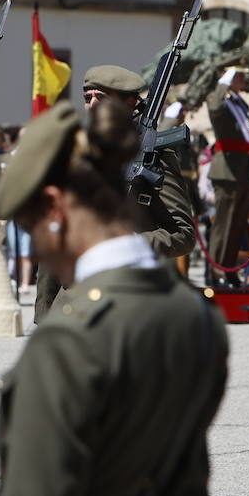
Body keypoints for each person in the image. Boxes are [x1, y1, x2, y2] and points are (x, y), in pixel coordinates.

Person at [0, 100, 228, 496]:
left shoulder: (69, 343)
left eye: (32, 226)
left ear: (57, 207)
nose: (37, 245)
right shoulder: (197, 319)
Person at [35, 66, 197, 318]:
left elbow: (182, 234)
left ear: (129, 103)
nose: (91, 105)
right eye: (87, 98)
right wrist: (45, 313)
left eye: (101, 97)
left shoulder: (154, 157)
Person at [205, 65, 249, 287]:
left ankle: (229, 270)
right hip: (227, 169)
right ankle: (217, 271)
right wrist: (223, 84)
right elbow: (215, 107)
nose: (242, 78)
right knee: (224, 224)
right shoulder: (218, 98)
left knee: (236, 225)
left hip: (243, 168)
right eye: (237, 75)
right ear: (226, 77)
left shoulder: (239, 102)